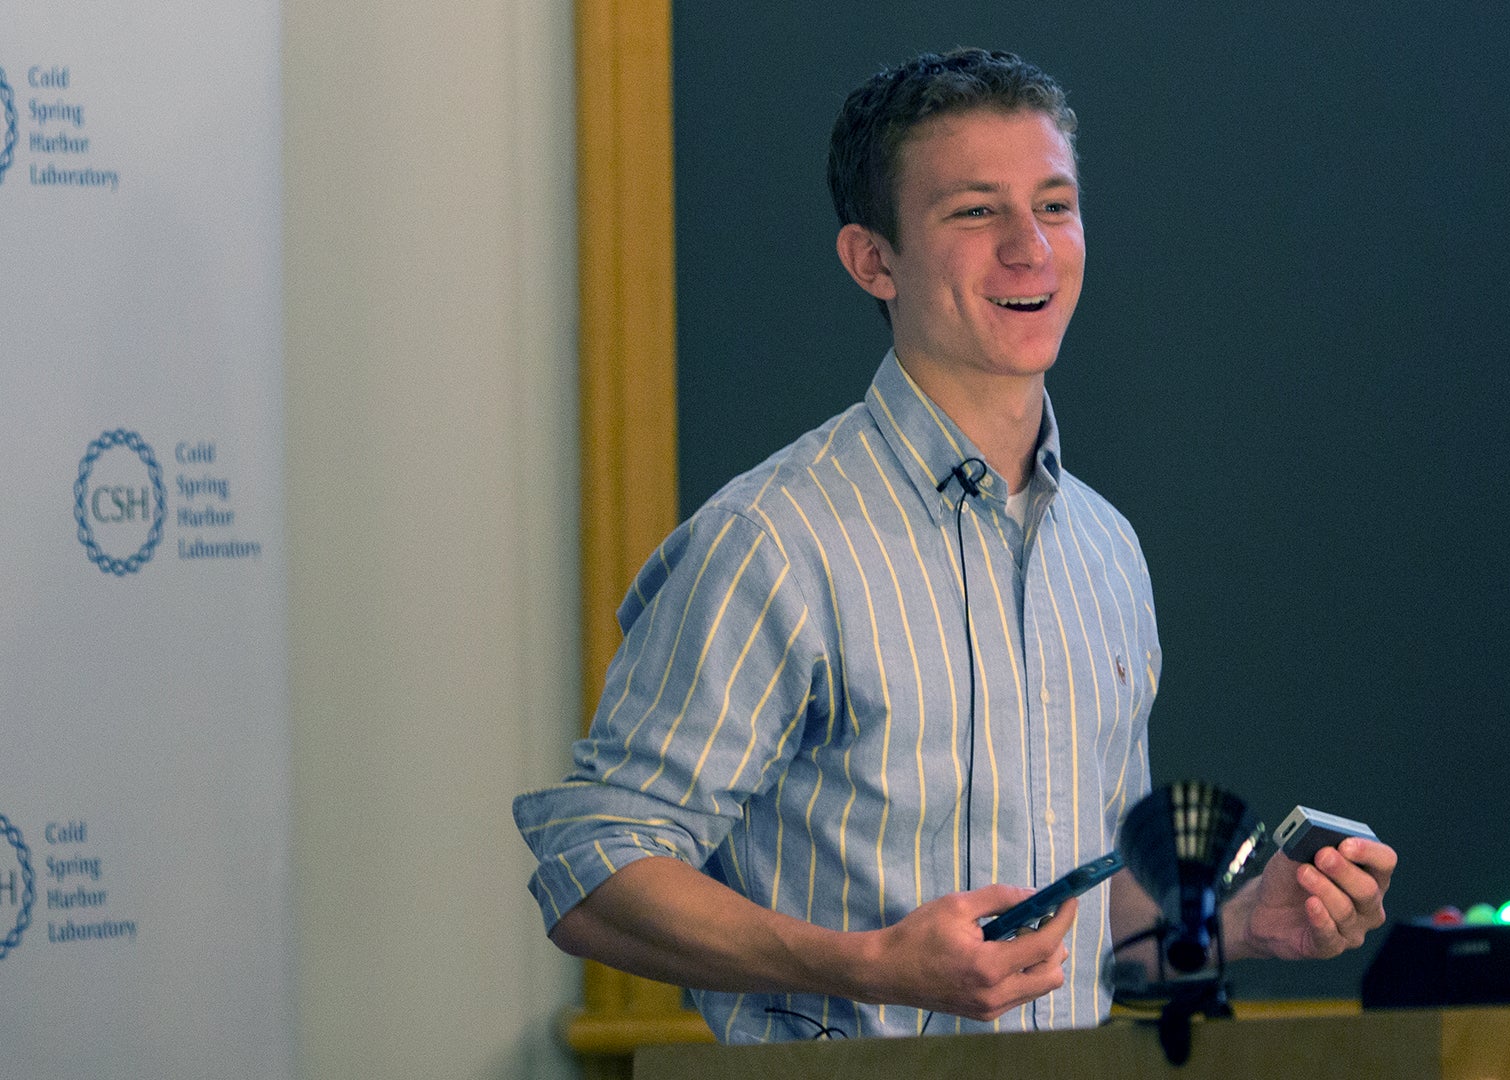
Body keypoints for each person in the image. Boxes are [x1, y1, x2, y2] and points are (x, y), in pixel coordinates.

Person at [514, 47, 1397, 1043]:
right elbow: (592, 864)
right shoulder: (774, 537)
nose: (1031, 248)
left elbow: (1083, 908)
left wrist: (1236, 924)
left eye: (1055, 206)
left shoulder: (1106, 552)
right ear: (873, 260)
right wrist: (868, 965)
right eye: (977, 212)